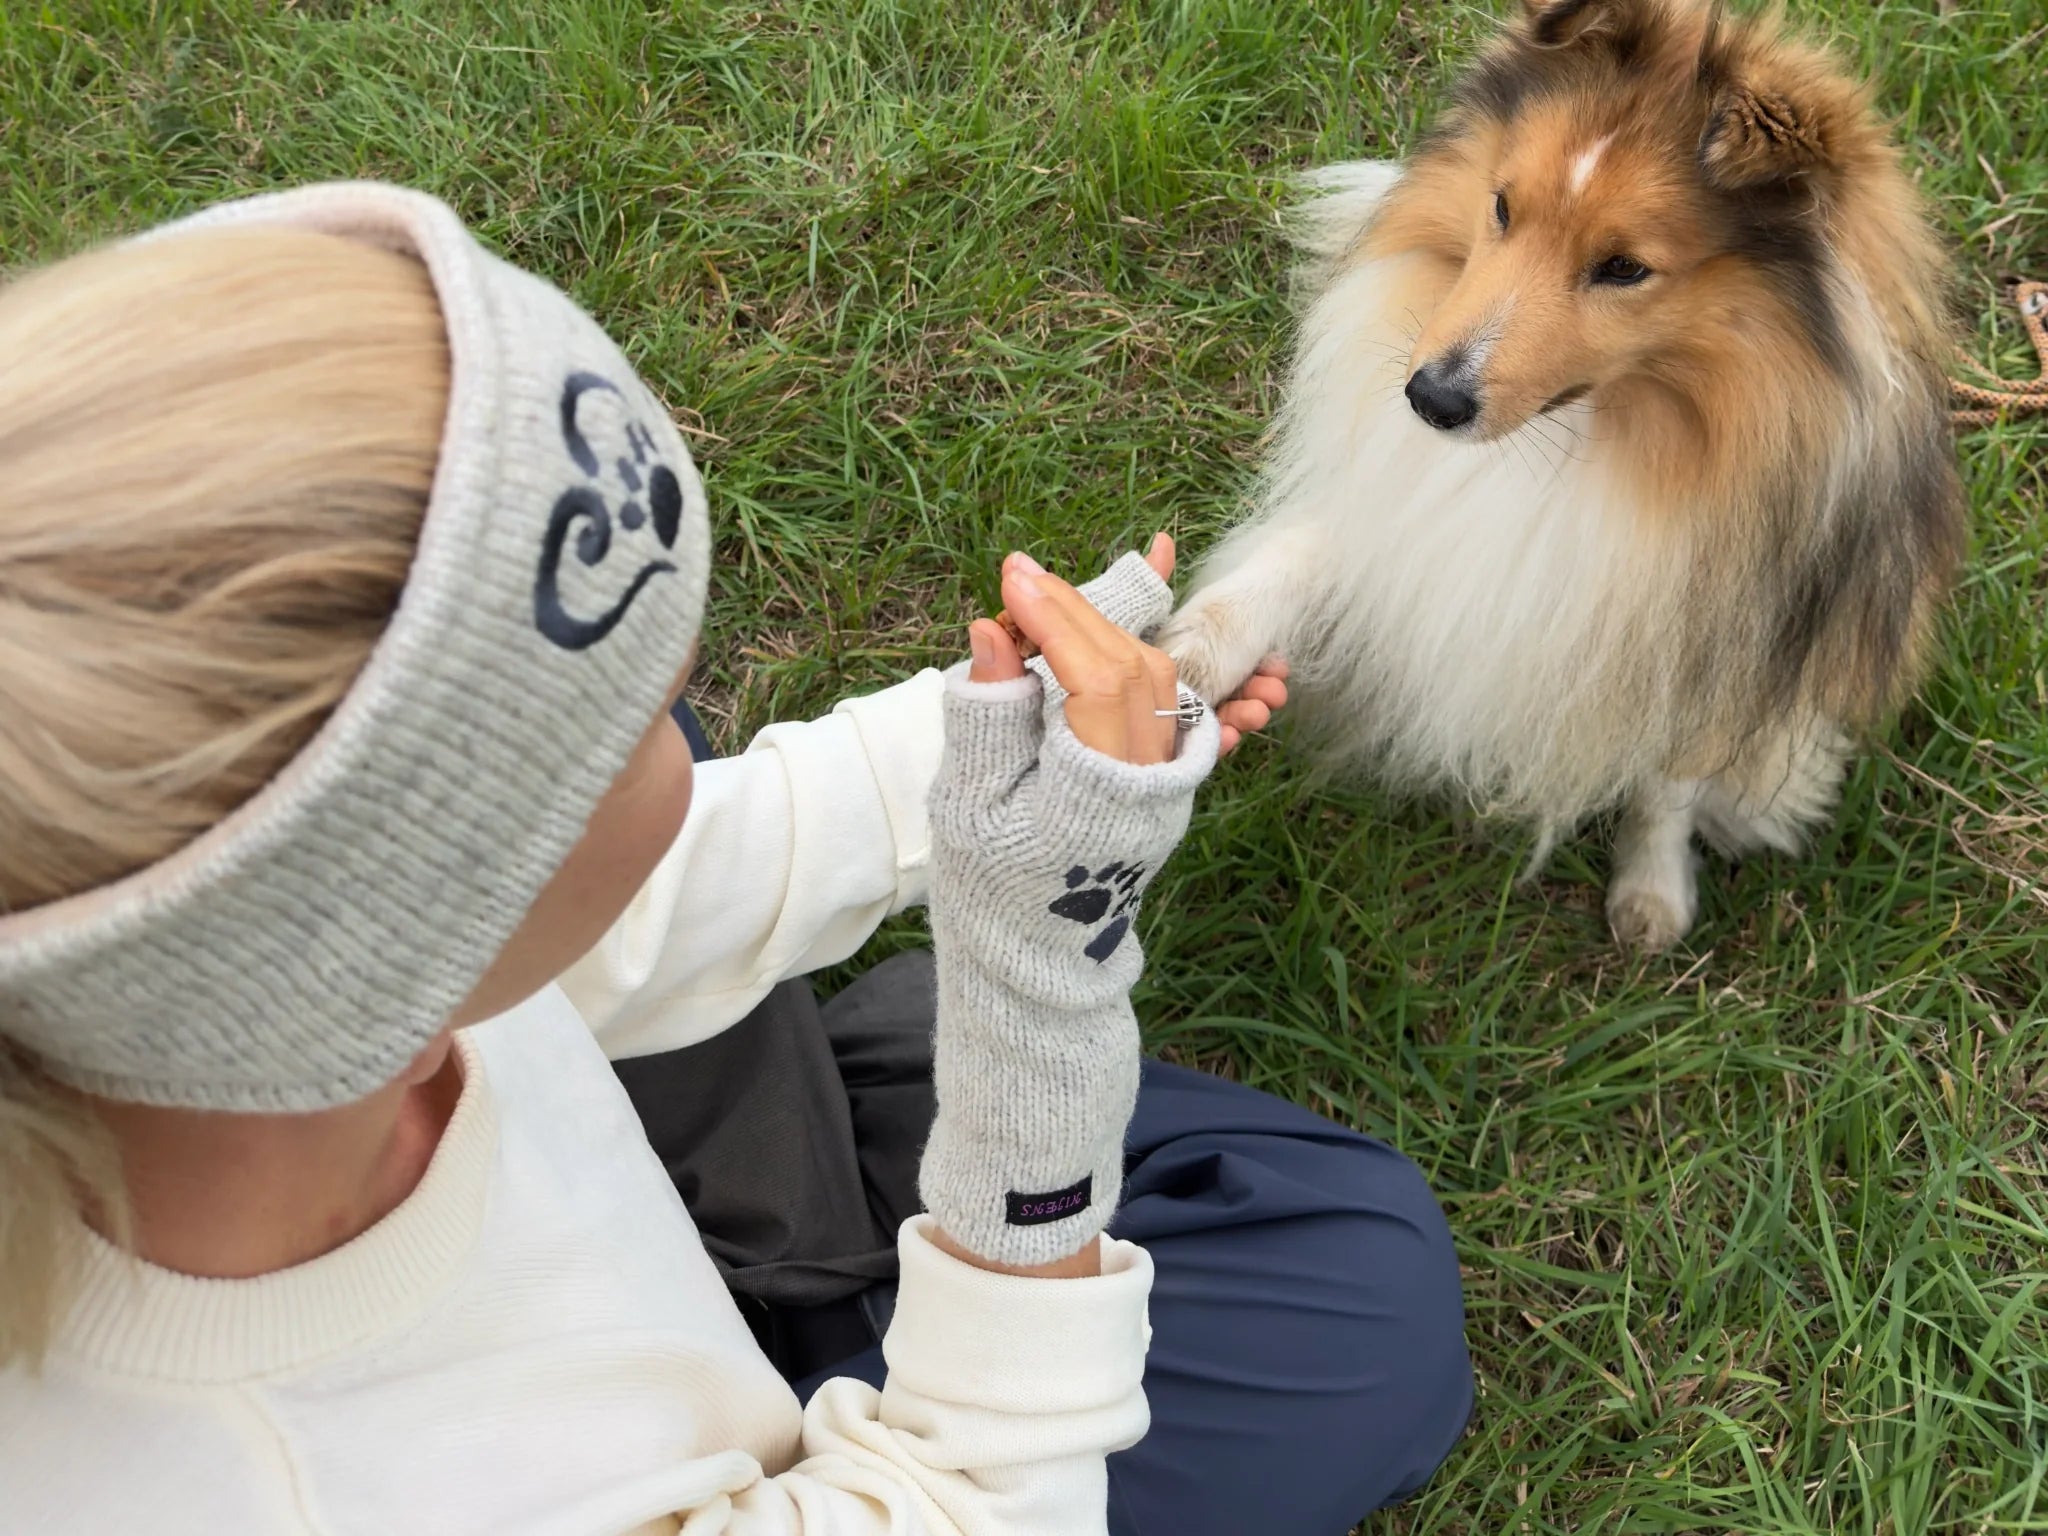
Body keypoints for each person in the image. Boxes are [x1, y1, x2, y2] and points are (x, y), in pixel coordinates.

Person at [0, 183, 1471, 1534]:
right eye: (640, 712)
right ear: (412, 921)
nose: (685, 719)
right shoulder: (303, 1494)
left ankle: (816, 1175)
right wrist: (1037, 981)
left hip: (628, 1234)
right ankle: (854, 1230)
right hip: (784, 1474)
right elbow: (978, 1511)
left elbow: (617, 932)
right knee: (1363, 1311)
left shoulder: (215, 1002)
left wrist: (971, 761)